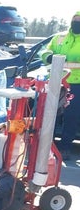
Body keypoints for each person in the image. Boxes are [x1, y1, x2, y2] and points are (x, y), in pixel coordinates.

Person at [41, 11, 80, 161]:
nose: (77, 22)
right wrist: (48, 56)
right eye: (75, 20)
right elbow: (45, 52)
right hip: (56, 81)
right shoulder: (60, 37)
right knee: (49, 115)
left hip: (76, 83)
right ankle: (45, 147)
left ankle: (64, 148)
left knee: (71, 117)